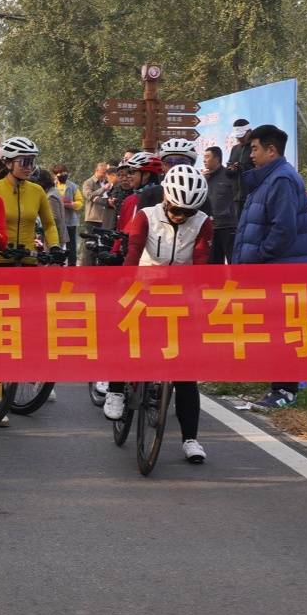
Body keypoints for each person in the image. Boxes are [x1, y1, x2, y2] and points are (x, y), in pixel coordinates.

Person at [101, 164, 216, 463]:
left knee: (185, 373)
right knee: (126, 334)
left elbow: (202, 264)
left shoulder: (203, 222)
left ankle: (191, 439)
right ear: (166, 199)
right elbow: (132, 256)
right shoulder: (145, 217)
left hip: (181, 294)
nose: (181, 217)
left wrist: (201, 303)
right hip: (145, 287)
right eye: (177, 210)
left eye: (188, 212)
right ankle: (115, 389)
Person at [232, 123, 307, 408]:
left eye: (255, 149)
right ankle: (278, 385)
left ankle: (285, 389)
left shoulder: (281, 180)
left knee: (283, 330)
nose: (251, 155)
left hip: (283, 270)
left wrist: (258, 256)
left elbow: (283, 230)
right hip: (276, 268)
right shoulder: (267, 179)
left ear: (271, 149)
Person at [202, 146, 240, 264]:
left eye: (207, 157)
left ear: (217, 159)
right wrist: (202, 180)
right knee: (213, 264)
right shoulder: (203, 178)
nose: (204, 160)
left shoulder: (229, 176)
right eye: (204, 157)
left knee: (233, 262)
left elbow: (237, 197)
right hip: (211, 227)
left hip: (228, 226)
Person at [80, 162, 116, 266]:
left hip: (105, 219)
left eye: (106, 173)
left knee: (103, 246)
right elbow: (89, 195)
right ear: (96, 171)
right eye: (102, 173)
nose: (104, 175)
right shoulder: (89, 182)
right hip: (93, 218)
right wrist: (103, 189)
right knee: (90, 245)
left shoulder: (108, 182)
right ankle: (87, 267)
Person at [47, 163, 80, 264]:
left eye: (65, 172)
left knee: (71, 247)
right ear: (54, 174)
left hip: (70, 221)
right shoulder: (51, 186)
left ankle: (72, 267)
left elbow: (80, 202)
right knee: (55, 245)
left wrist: (70, 204)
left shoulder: (73, 186)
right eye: (60, 173)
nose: (63, 175)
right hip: (56, 221)